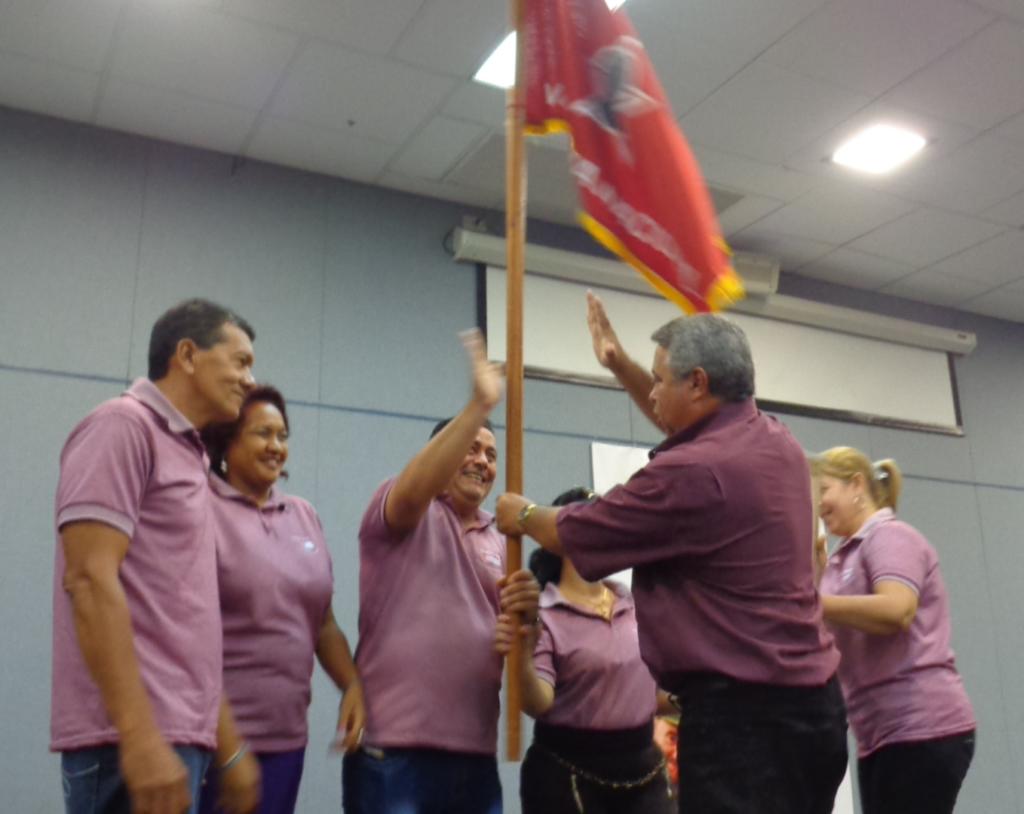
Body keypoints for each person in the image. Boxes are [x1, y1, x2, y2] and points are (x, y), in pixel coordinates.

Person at [495, 293, 847, 814]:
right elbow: (688, 429)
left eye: (660, 379)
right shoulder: (778, 442)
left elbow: (580, 530)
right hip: (813, 712)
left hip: (743, 728)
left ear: (699, 382)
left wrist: (521, 514)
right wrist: (618, 363)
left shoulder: (693, 473)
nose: (653, 391)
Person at [53, 299, 261, 814]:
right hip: (129, 740)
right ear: (187, 355)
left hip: (178, 737)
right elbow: (88, 579)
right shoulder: (123, 426)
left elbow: (184, 626)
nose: (250, 380)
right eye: (240, 361)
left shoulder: (190, 456)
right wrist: (139, 737)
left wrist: (228, 750)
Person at [341, 329, 540, 814]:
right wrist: (477, 405)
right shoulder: (402, 514)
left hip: (473, 756)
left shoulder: (505, 542)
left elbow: (517, 650)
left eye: (492, 455)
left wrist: (527, 620)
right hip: (395, 749)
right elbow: (414, 490)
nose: (483, 462)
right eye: (471, 448)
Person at [197, 385, 366, 814]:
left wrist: (352, 684)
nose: (276, 446)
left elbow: (321, 623)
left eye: (283, 435)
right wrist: (229, 750)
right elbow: (182, 634)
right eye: (262, 434)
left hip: (287, 740)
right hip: (211, 743)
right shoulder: (200, 508)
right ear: (227, 442)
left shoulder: (304, 515)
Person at [815, 447, 976, 814]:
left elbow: (896, 609)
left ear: (856, 484)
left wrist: (814, 603)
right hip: (879, 734)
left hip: (922, 727)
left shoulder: (889, 537)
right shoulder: (841, 557)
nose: (819, 504)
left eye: (823, 490)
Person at [495, 487, 675, 814]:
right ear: (558, 537)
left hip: (641, 769)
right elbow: (537, 703)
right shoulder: (543, 612)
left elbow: (648, 694)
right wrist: (523, 652)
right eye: (590, 526)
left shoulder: (634, 606)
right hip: (567, 776)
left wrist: (695, 697)